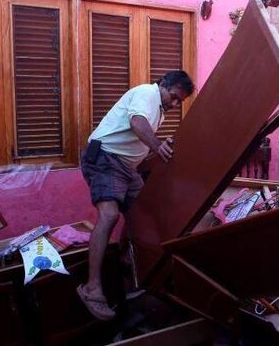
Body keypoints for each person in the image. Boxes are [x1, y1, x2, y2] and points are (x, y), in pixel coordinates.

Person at [77, 70, 194, 320]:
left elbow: (139, 144)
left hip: (126, 168)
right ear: (163, 85)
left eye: (179, 102)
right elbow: (136, 123)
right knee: (108, 216)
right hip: (104, 157)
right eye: (173, 97)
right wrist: (157, 145)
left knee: (143, 215)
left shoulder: (159, 111)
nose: (174, 104)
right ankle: (92, 289)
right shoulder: (145, 93)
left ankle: (123, 261)